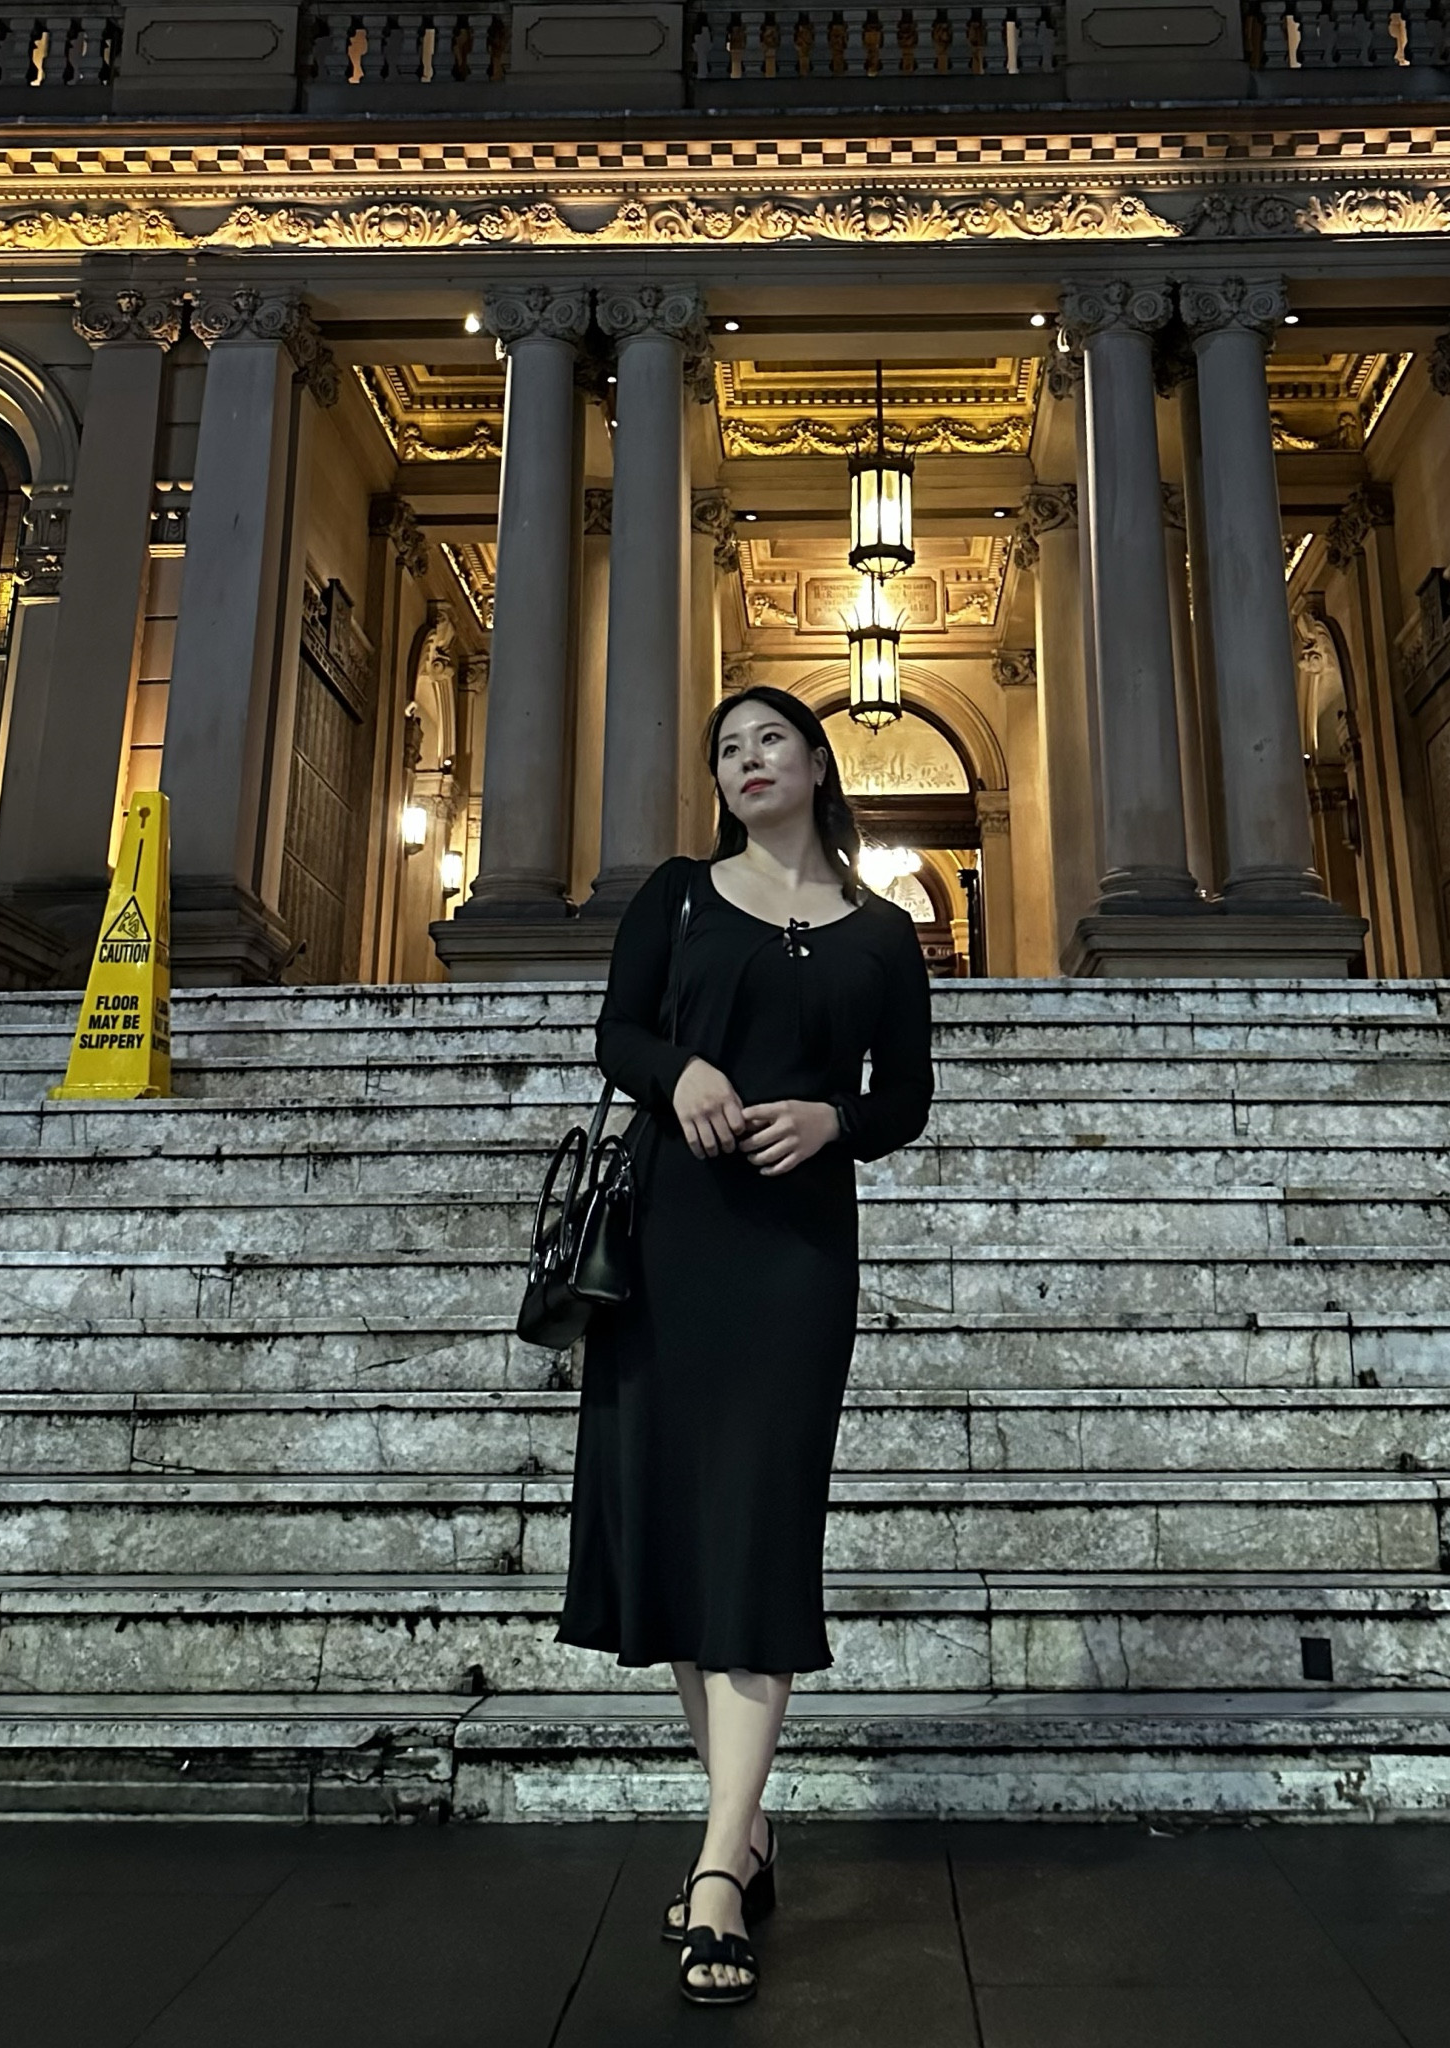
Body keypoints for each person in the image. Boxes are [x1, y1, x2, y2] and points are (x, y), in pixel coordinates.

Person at [554, 684, 936, 2006]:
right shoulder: (673, 895)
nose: (745, 759)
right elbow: (617, 1033)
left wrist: (837, 1122)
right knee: (675, 1528)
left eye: (768, 739)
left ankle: (717, 1873)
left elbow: (910, 1101)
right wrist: (682, 1075)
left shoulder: (886, 935)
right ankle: (749, 1829)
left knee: (760, 1529)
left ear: (820, 762)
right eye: (726, 748)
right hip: (669, 1243)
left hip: (793, 1261)